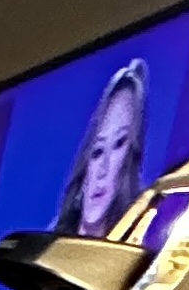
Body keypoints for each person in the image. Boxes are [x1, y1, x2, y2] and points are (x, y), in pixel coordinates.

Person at [56, 59, 151, 238]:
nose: (103, 170)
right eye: (98, 152)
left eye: (119, 144)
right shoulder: (43, 247)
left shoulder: (137, 246)